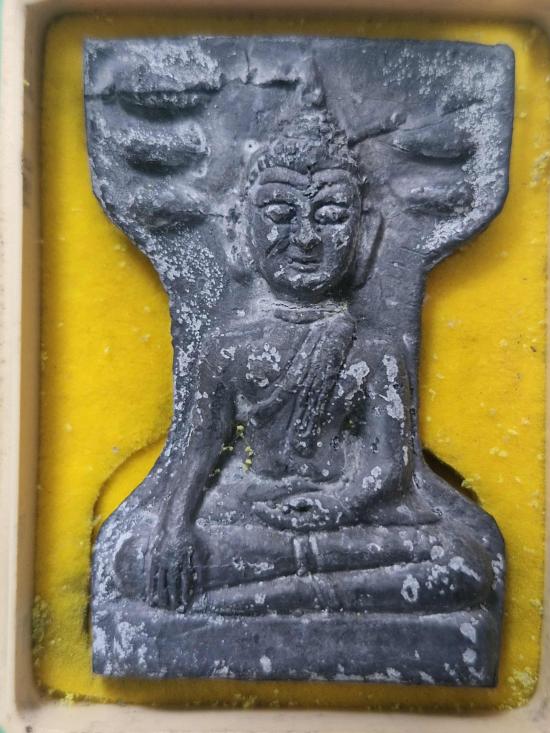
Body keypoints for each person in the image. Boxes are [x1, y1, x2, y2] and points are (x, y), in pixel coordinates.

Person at [110, 109, 494, 616]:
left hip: (347, 519)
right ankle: (309, 592)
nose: (307, 238)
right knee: (135, 561)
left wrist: (337, 504)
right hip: (249, 510)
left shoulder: (375, 350)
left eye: (331, 216)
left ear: (366, 233)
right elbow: (196, 451)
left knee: (461, 562)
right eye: (281, 214)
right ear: (240, 230)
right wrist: (174, 527)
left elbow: (387, 466)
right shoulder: (226, 348)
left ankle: (274, 597)